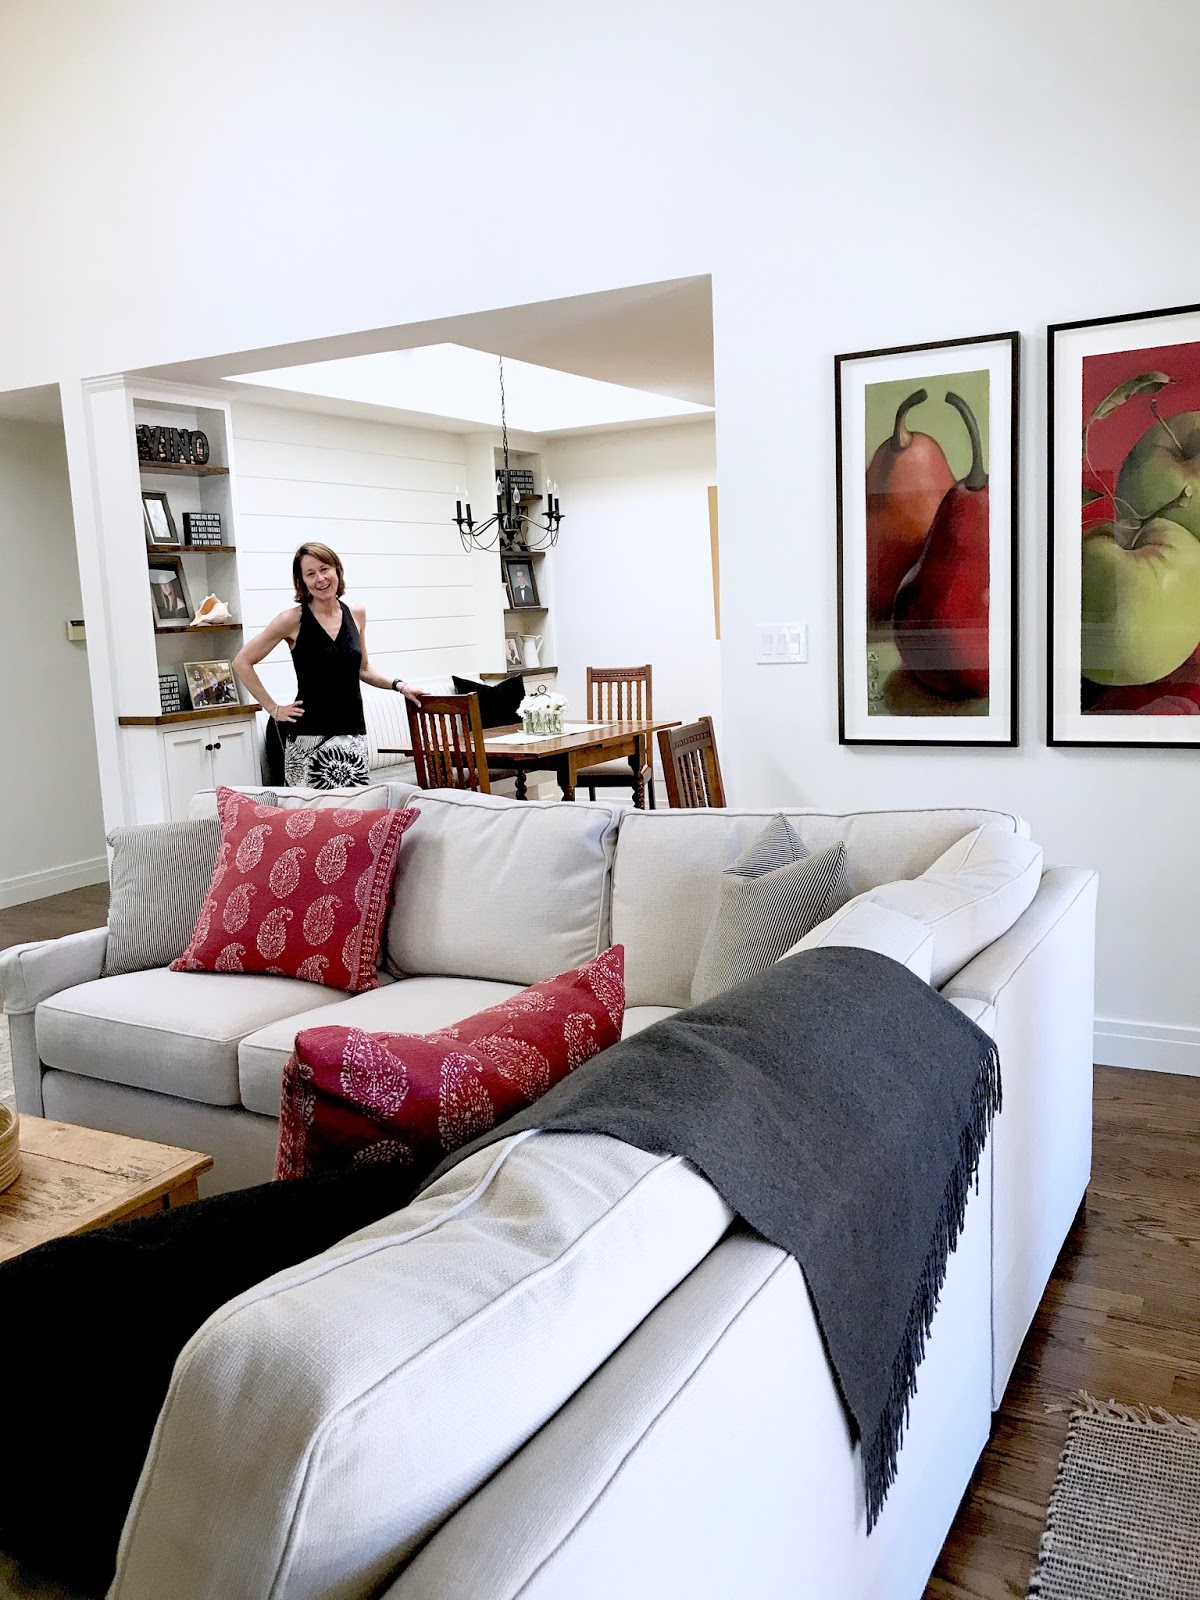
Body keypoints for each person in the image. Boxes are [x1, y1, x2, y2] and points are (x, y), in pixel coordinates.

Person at [232, 541, 421, 789]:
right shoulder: (291, 620)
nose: (320, 579)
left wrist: (400, 685)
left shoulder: (357, 613)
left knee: (353, 817)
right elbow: (242, 662)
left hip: (353, 734)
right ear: (302, 582)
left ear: (337, 571)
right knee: (311, 820)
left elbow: (363, 669)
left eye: (324, 569)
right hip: (307, 738)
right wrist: (273, 708)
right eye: (310, 574)